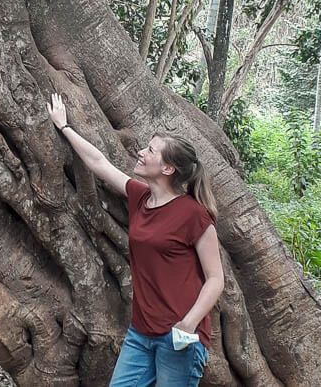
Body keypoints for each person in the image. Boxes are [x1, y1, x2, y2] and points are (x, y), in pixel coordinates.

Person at [47, 93, 224, 387]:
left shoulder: (194, 215)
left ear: (167, 169)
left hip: (178, 337)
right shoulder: (141, 197)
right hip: (141, 333)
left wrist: (189, 322)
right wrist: (64, 127)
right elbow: (100, 164)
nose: (141, 152)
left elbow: (216, 278)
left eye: (150, 150)